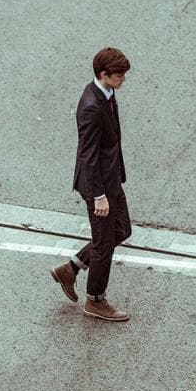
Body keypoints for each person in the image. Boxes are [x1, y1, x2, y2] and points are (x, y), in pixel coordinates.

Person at [50, 47, 132, 321]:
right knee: (103, 244)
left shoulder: (106, 93)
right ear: (103, 74)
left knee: (121, 230)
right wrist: (98, 195)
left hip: (110, 179)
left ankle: (71, 268)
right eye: (119, 76)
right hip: (98, 186)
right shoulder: (92, 107)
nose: (123, 80)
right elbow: (87, 154)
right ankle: (95, 300)